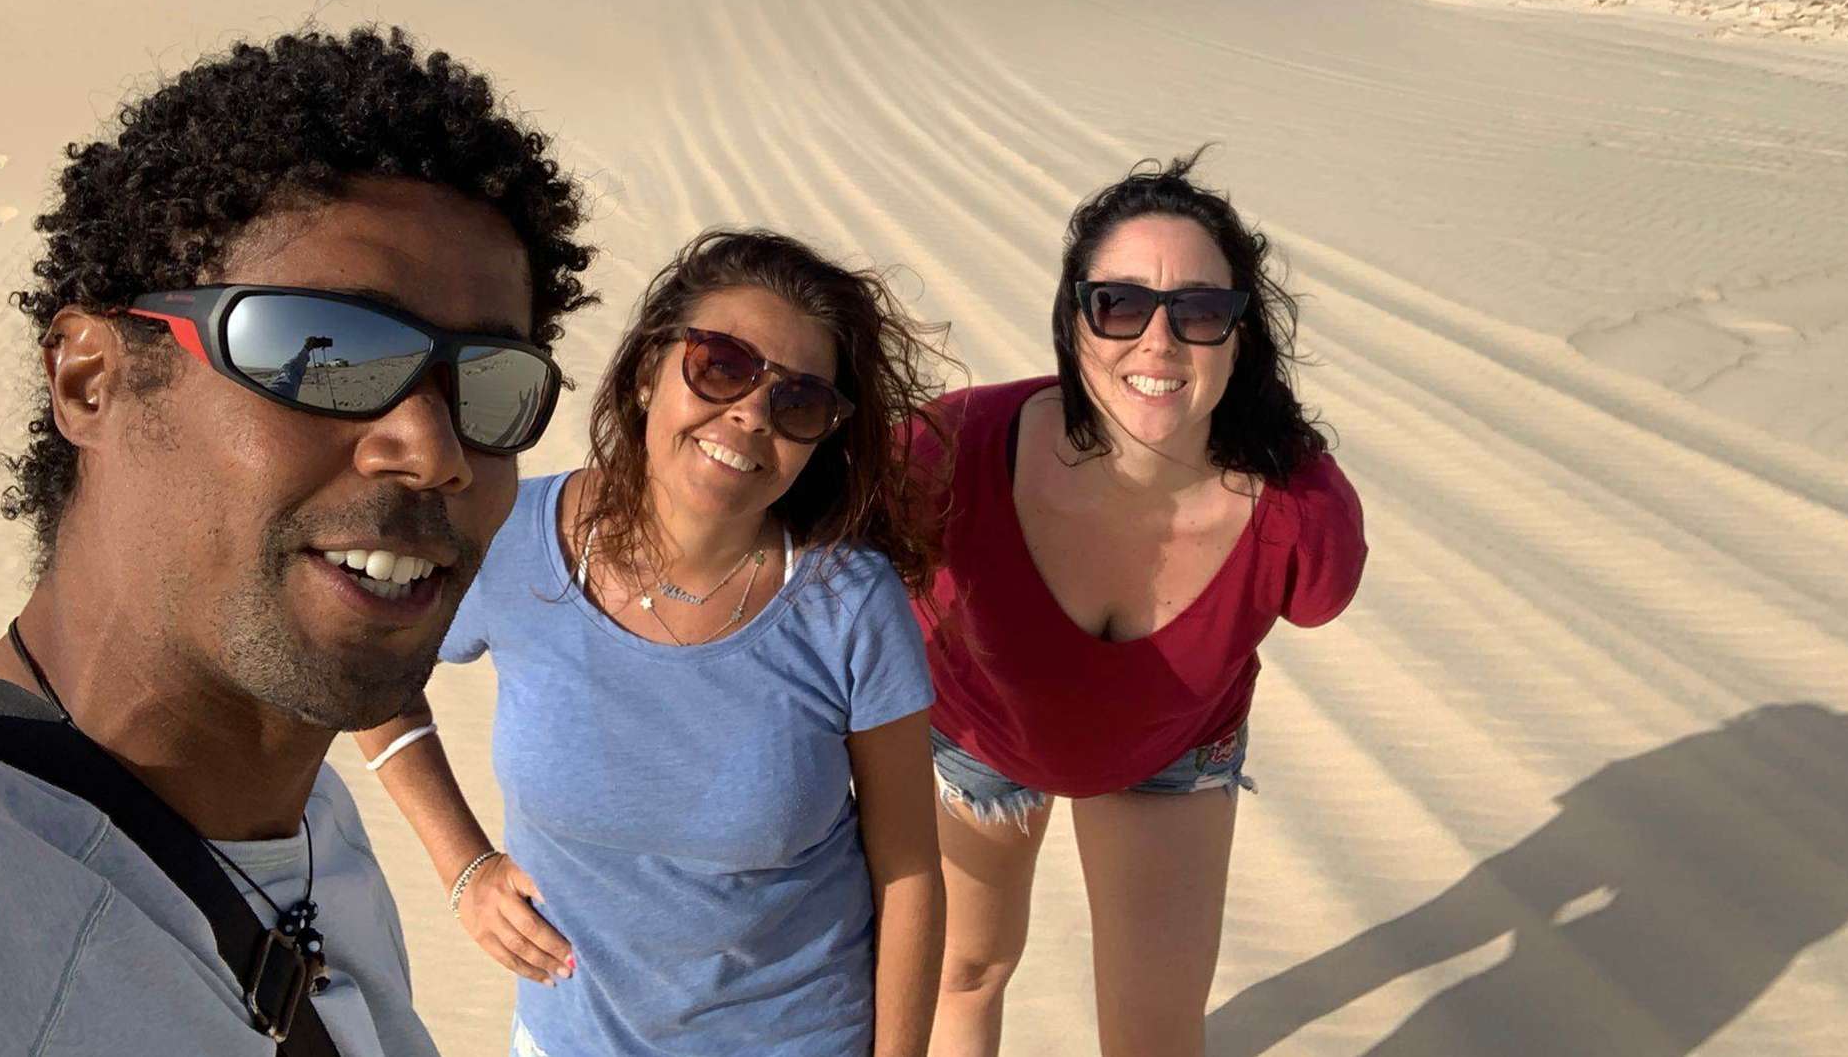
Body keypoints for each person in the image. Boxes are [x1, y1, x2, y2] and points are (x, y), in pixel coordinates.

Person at [0, 27, 594, 1055]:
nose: (434, 450)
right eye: (322, 352)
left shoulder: (318, 829)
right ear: (90, 380)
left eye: (491, 384)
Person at [354, 229, 951, 1057]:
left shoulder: (848, 603)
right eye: (721, 366)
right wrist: (463, 866)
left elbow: (909, 872)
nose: (750, 414)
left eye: (799, 402)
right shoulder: (513, 537)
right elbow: (361, 666)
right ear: (647, 373)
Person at [913, 151, 1369, 1057]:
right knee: (964, 973)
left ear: (1240, 336)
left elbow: (1319, 596)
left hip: (1174, 747)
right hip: (975, 733)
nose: (1158, 343)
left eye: (1199, 311)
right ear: (1073, 320)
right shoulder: (945, 449)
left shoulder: (1302, 513)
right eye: (1120, 304)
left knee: (1153, 1035)